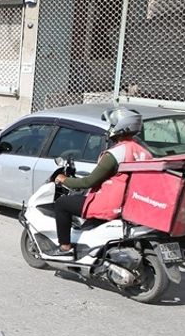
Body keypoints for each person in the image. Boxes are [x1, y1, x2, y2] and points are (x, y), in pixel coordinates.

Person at [50, 107, 151, 257]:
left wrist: (65, 179)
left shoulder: (116, 153)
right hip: (132, 203)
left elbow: (89, 182)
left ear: (119, 127)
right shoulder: (145, 152)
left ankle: (65, 247)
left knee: (62, 204)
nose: (109, 129)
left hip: (111, 203)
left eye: (112, 125)